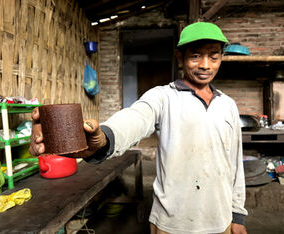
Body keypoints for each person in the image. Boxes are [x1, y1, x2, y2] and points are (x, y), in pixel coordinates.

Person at [30, 22, 248, 234]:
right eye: (195, 55)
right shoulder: (163, 97)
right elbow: (134, 119)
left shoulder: (227, 105)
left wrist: (237, 215)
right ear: (180, 57)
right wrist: (104, 138)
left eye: (213, 56)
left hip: (220, 220)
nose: (205, 65)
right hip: (172, 222)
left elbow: (235, 163)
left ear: (221, 57)